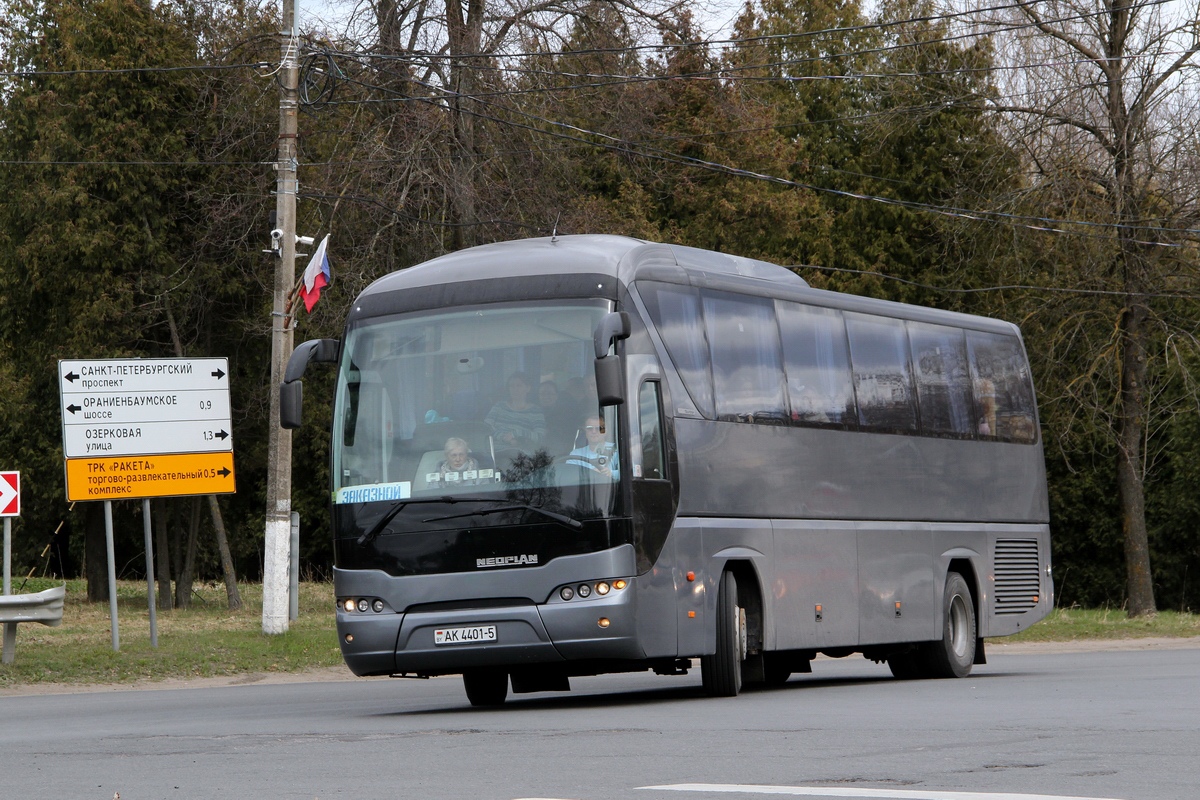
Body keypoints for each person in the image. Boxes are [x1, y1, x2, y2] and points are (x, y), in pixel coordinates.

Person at [485, 372, 546, 450]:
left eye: (519, 385)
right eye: (512, 386)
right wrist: (505, 438)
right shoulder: (499, 406)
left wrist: (517, 433)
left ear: (528, 388)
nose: (515, 389)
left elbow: (540, 437)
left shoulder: (536, 412)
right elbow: (485, 428)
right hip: (491, 453)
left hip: (519, 457)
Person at [565, 415, 619, 480]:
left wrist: (611, 473)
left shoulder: (617, 450)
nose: (594, 431)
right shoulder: (575, 454)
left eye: (598, 428)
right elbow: (568, 476)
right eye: (590, 428)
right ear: (585, 431)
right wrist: (589, 474)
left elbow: (628, 472)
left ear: (605, 431)